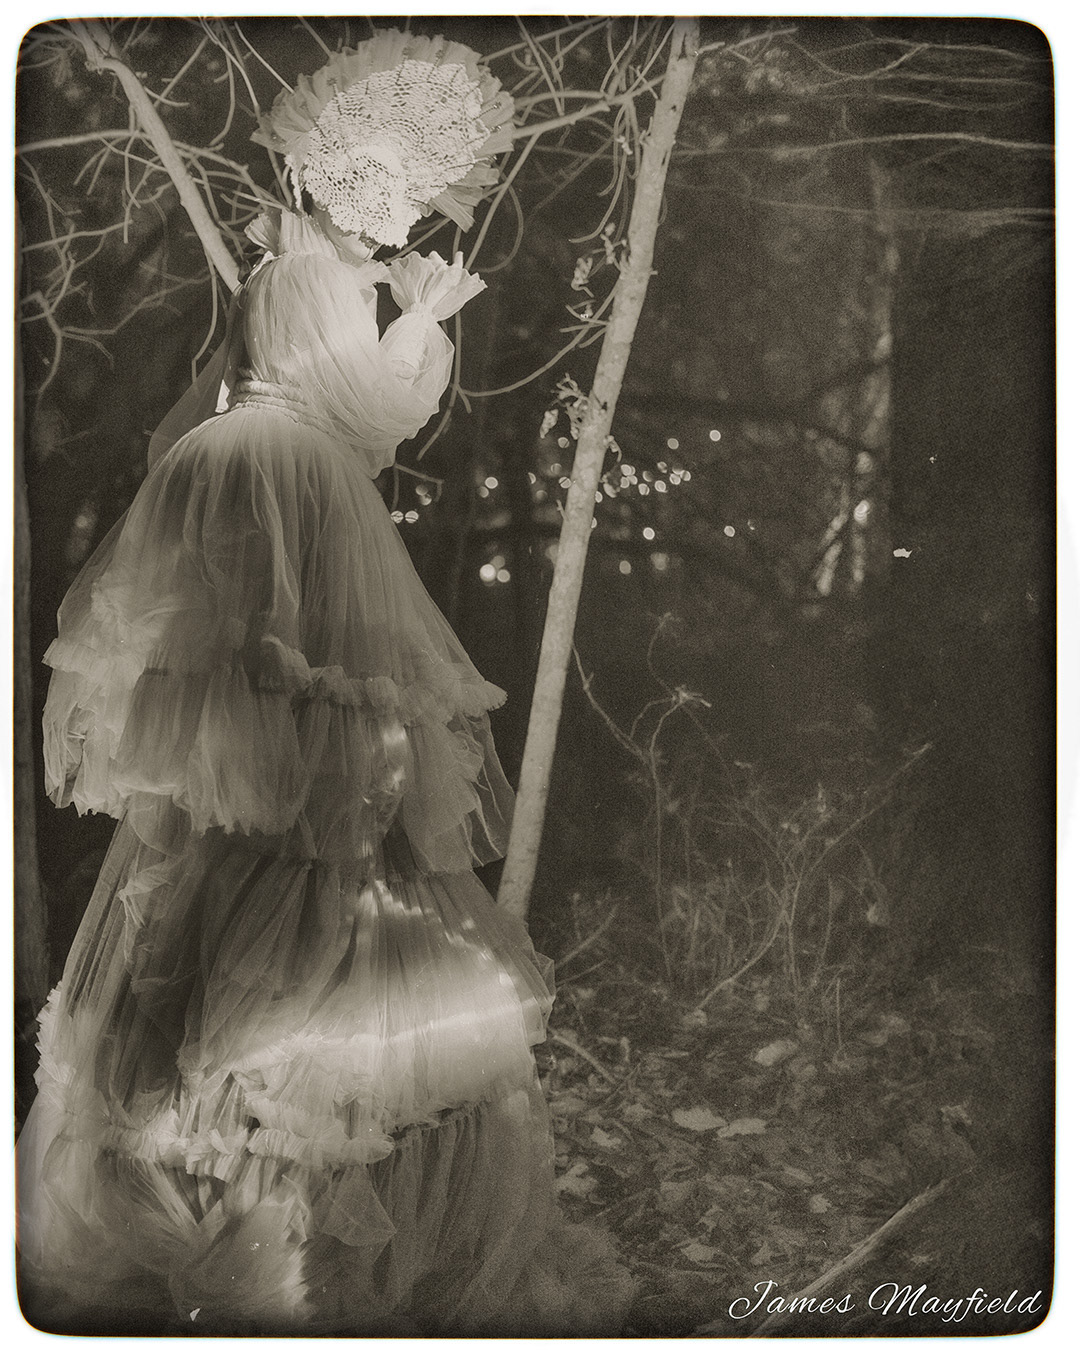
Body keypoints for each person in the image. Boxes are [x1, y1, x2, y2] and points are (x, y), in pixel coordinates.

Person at [18, 29, 629, 1335]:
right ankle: (248, 1178)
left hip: (269, 494)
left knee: (290, 794)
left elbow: (274, 419)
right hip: (287, 503)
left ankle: (263, 1161)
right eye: (388, 191)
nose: (404, 215)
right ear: (353, 186)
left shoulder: (295, 271)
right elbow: (368, 412)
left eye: (406, 196)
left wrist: (402, 320)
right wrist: (422, 323)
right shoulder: (306, 273)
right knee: (298, 768)